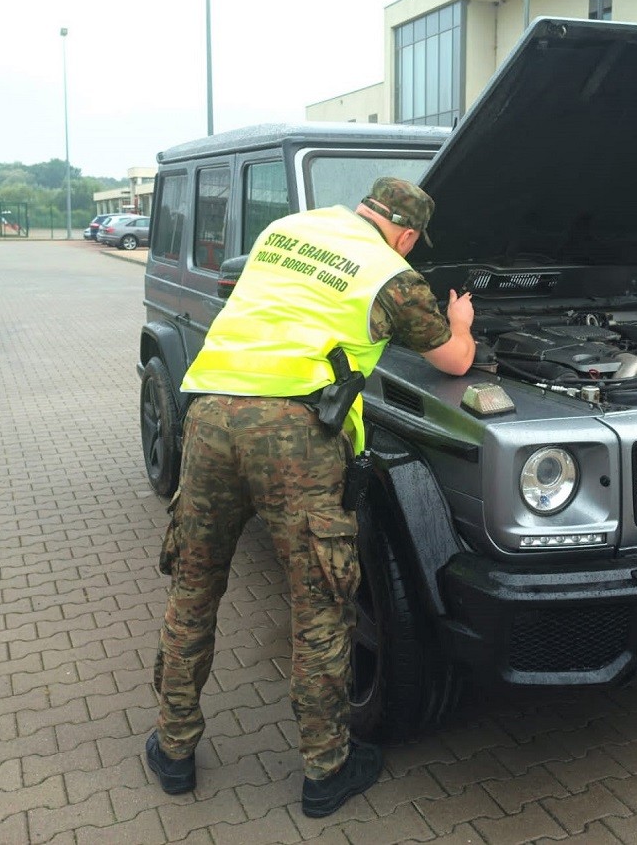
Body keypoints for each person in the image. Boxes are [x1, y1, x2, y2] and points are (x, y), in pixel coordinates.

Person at [145, 178, 474, 818]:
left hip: (209, 414)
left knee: (194, 587)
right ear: (406, 234)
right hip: (295, 433)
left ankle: (173, 750)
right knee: (320, 600)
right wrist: (458, 321)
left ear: (363, 208)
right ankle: (326, 769)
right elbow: (455, 361)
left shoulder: (286, 230)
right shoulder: (392, 274)